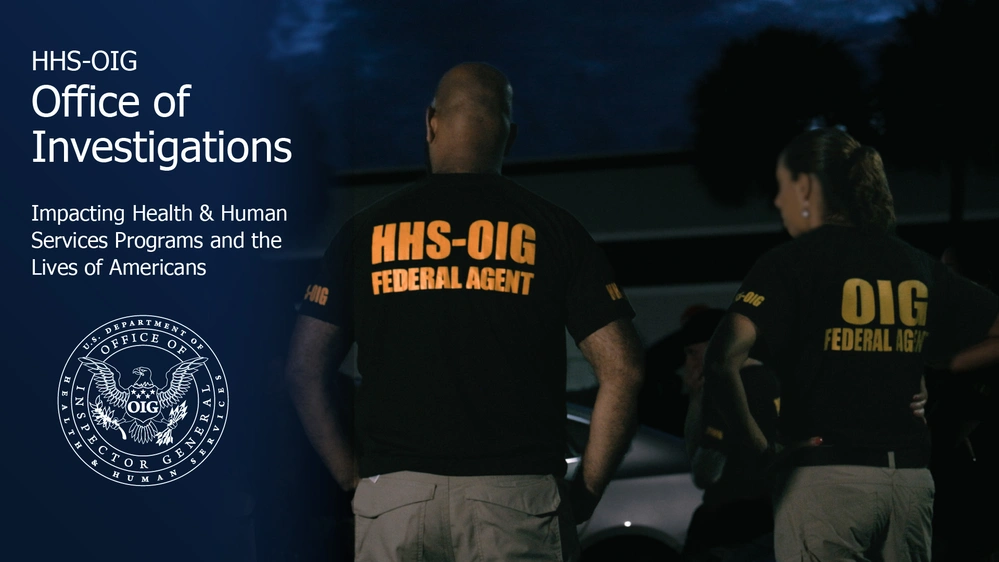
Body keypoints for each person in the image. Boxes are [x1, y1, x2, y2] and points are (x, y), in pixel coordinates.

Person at [284, 62, 644, 562]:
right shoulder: (554, 229)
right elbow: (623, 368)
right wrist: (587, 489)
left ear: (430, 122)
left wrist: (353, 478)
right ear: (510, 136)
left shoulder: (364, 232)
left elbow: (304, 368)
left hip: (395, 501)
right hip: (516, 502)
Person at [701, 126, 999, 561]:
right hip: (909, 483)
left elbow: (720, 361)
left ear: (806, 187)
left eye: (783, 187)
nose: (779, 201)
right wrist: (932, 367)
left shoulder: (789, 264)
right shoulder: (914, 262)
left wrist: (762, 454)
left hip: (827, 480)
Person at [679, 307, 780, 562]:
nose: (687, 364)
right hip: (772, 518)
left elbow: (705, 473)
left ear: (715, 346)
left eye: (692, 353)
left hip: (731, 527)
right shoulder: (770, 378)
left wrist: (696, 399)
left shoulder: (726, 389)